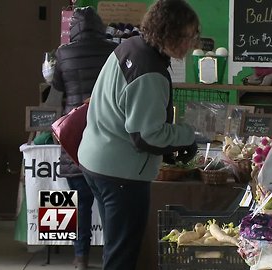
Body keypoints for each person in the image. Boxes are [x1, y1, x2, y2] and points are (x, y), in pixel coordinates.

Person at [77, 0, 200, 269]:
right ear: (170, 32)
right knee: (122, 255)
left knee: (115, 246)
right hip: (121, 174)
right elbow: (148, 135)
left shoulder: (130, 46)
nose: (191, 43)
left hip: (96, 161)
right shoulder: (149, 70)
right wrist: (187, 136)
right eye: (189, 36)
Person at [46, 6, 117, 270]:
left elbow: (57, 93)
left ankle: (80, 259)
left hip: (73, 135)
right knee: (108, 203)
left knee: (81, 205)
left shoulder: (63, 53)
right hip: (104, 131)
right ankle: (112, 258)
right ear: (99, 26)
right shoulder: (112, 51)